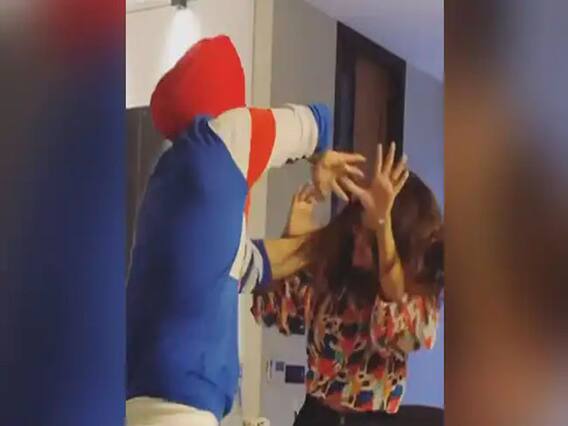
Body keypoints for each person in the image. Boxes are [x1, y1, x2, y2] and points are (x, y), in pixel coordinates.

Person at [125, 35, 366, 426]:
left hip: (142, 402)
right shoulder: (220, 139)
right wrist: (322, 154)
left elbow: (255, 266)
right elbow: (315, 121)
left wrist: (316, 236)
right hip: (182, 404)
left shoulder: (167, 189)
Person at [252, 143, 444, 426]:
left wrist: (382, 227)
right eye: (358, 226)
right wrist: (292, 239)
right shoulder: (334, 272)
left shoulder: (416, 302)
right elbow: (268, 308)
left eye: (370, 238)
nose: (358, 237)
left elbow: (397, 321)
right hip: (317, 417)